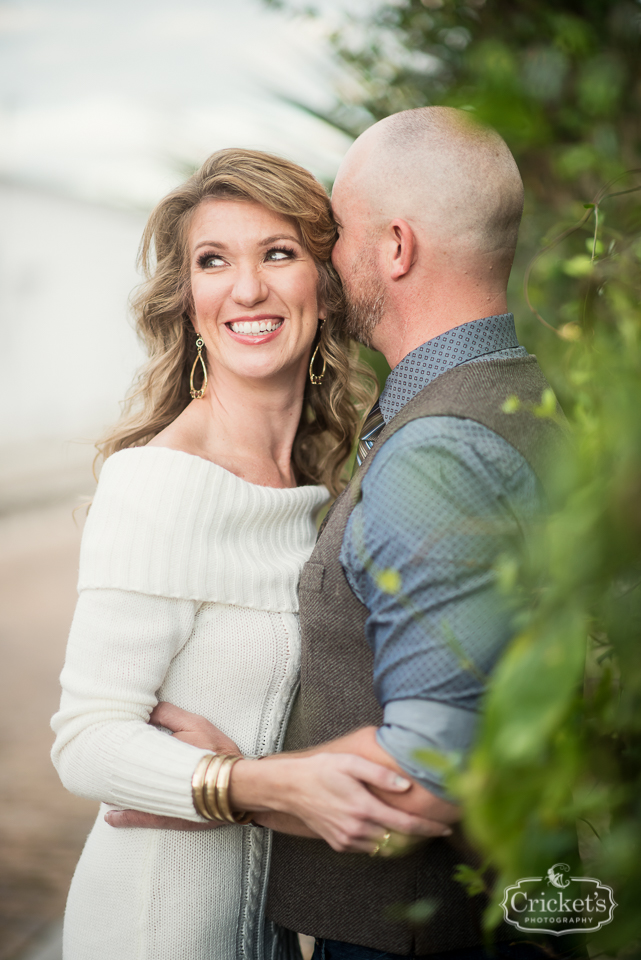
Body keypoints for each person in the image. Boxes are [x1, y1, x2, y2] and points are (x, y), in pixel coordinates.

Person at [110, 108, 566, 960]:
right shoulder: (528, 400)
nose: (323, 260)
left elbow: (428, 781)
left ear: (393, 248)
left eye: (336, 232)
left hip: (417, 940)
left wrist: (229, 789)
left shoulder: (437, 455)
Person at [50, 148, 451, 960]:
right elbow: (86, 741)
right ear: (187, 297)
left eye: (278, 252)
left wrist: (249, 779)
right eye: (213, 261)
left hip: (266, 936)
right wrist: (253, 785)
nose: (247, 289)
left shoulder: (319, 488)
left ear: (324, 282)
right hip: (152, 927)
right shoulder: (156, 484)